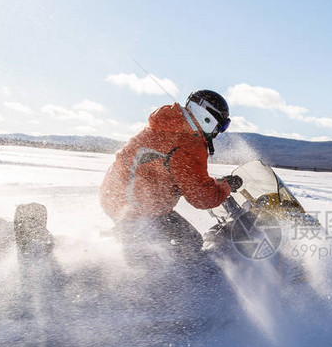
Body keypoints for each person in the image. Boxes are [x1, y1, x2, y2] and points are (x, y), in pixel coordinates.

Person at [99, 90, 242, 254]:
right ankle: (126, 260)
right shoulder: (188, 142)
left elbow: (183, 175)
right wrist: (226, 186)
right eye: (223, 124)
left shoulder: (172, 124)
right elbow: (202, 197)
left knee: (179, 242)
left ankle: (119, 239)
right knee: (189, 247)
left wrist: (217, 183)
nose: (220, 130)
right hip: (135, 209)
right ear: (208, 116)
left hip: (120, 197)